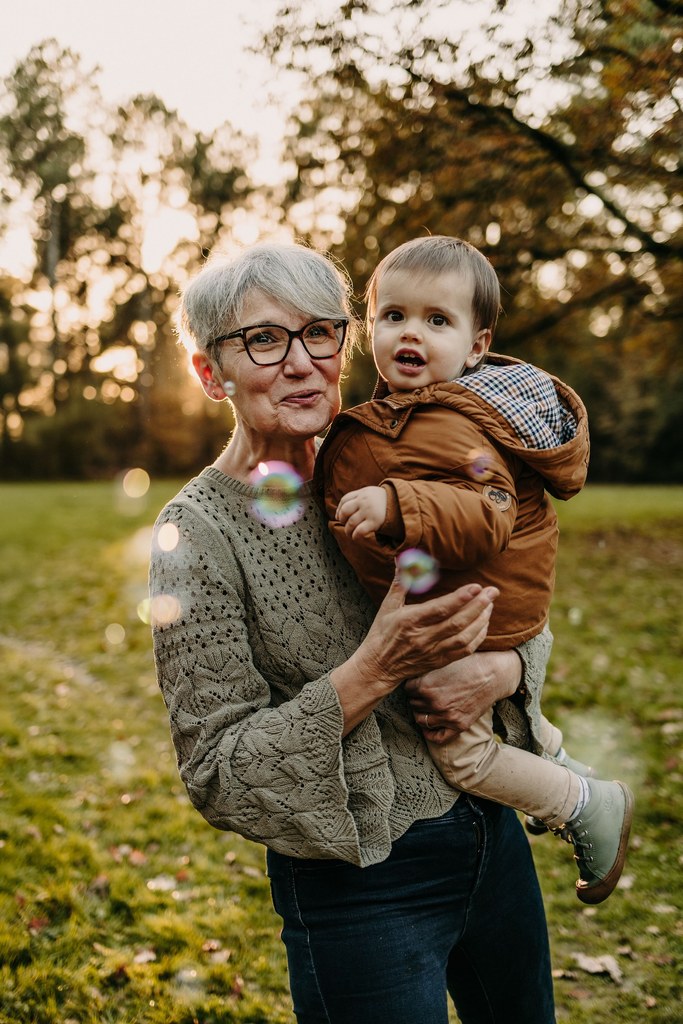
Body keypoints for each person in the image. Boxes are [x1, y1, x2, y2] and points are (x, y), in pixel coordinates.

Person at [150, 241, 560, 1023]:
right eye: (263, 340)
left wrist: (502, 671)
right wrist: (371, 670)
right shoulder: (196, 536)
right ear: (210, 374)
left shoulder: (405, 453)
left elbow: (513, 594)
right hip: (361, 882)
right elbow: (218, 768)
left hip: (490, 837)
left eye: (320, 332)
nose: (302, 362)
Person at [316, 234, 634, 906]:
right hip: (472, 603)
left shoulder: (458, 423)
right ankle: (544, 744)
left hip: (477, 612)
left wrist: (395, 503)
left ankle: (583, 803)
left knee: (460, 752)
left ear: (476, 345)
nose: (411, 334)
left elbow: (487, 510)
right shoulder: (409, 415)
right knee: (498, 725)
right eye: (393, 315)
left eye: (437, 321)